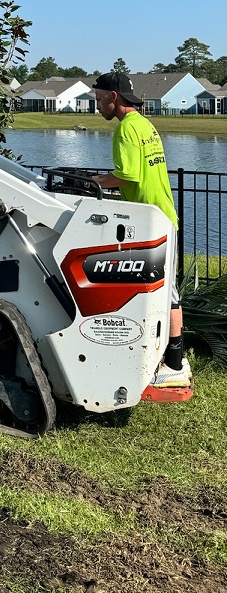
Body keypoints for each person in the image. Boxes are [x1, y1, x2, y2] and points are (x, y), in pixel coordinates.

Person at [89, 72, 190, 388]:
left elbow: (127, 175)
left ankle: (175, 365)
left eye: (99, 99)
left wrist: (93, 182)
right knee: (162, 290)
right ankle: (166, 356)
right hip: (162, 214)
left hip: (152, 222)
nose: (97, 105)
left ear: (113, 97)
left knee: (167, 293)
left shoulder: (125, 129)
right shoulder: (145, 125)